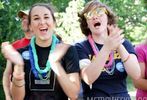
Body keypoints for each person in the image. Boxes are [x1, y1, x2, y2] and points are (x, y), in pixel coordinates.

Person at [1, 3, 80, 100]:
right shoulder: (19, 54)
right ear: (30, 26)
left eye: (46, 17)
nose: (42, 22)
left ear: (54, 23)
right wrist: (18, 68)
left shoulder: (67, 50)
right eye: (36, 18)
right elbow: (17, 98)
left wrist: (55, 64)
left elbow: (74, 95)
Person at [75, 0, 141, 99]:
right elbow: (88, 78)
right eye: (89, 15)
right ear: (86, 24)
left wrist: (118, 45)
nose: (95, 17)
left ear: (108, 19)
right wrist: (107, 47)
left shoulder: (125, 44)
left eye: (100, 12)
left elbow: (136, 74)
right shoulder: (80, 47)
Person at [2, 9, 32, 100]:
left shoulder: (46, 44)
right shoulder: (14, 46)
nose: (23, 21)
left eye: (27, 18)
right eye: (22, 19)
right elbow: (7, 73)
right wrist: (7, 96)